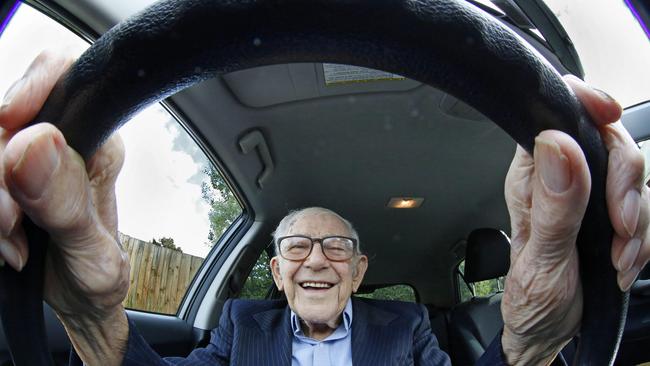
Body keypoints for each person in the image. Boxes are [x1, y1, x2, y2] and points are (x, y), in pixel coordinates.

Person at [0, 50, 648, 365]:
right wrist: (94, 319)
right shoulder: (239, 324)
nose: (316, 259)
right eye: (296, 248)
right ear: (277, 273)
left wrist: (531, 343)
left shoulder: (407, 330)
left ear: (359, 271)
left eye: (336, 246)